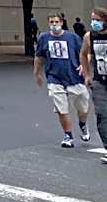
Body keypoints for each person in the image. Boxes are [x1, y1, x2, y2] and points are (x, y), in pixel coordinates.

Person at [34, 13, 90, 148]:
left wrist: (84, 65)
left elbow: (84, 53)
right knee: (61, 109)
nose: (54, 24)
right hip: (55, 78)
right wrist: (37, 73)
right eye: (51, 22)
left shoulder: (72, 37)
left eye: (56, 21)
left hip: (74, 77)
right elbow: (39, 56)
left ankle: (82, 124)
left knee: (83, 107)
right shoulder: (44, 38)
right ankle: (68, 135)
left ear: (62, 22)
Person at [80, 6, 107, 164]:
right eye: (93, 19)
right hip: (99, 82)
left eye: (97, 20)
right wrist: (87, 74)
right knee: (103, 116)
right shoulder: (90, 36)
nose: (94, 23)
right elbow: (83, 54)